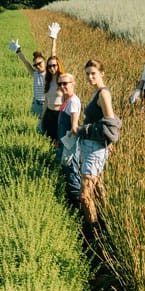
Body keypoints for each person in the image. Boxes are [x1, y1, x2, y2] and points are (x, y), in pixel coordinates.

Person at [74, 60, 117, 230]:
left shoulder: (103, 94)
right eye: (87, 74)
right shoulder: (96, 93)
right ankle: (107, 224)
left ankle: (93, 231)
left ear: (102, 73)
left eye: (93, 73)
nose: (90, 77)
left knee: (85, 195)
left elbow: (110, 124)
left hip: (95, 148)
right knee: (98, 188)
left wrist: (84, 129)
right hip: (90, 146)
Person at [9, 21, 61, 117]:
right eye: (35, 65)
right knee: (36, 126)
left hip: (47, 103)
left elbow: (53, 54)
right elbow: (25, 62)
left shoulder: (49, 72)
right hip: (36, 104)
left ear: (44, 62)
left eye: (39, 63)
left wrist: (53, 38)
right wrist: (18, 50)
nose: (37, 66)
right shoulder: (35, 74)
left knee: (45, 126)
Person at [56, 73, 81, 207]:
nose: (62, 86)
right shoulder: (67, 100)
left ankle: (79, 208)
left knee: (72, 177)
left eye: (65, 83)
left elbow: (74, 128)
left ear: (73, 83)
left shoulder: (73, 101)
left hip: (69, 147)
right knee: (67, 175)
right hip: (64, 144)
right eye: (60, 84)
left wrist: (65, 146)